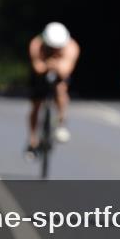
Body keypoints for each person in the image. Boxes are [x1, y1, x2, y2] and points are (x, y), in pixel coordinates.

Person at [27, 22, 80, 158]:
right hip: (40, 75)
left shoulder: (72, 47)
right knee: (36, 104)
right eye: (52, 47)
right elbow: (38, 67)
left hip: (59, 74)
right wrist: (49, 64)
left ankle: (61, 122)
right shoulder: (36, 44)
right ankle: (32, 139)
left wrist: (54, 65)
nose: (55, 50)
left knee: (61, 89)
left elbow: (65, 71)